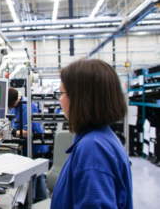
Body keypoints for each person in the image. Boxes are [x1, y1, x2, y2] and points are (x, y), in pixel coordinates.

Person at [51, 59, 132, 209]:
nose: (59, 100)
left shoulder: (93, 150)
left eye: (61, 93)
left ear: (80, 98)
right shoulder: (102, 138)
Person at [8, 87, 48, 202]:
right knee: (38, 177)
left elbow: (29, 131)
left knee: (32, 179)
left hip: (34, 147)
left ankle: (32, 202)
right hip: (26, 147)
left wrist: (11, 133)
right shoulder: (14, 107)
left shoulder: (26, 106)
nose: (9, 108)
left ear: (13, 102)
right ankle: (41, 201)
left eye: (9, 106)